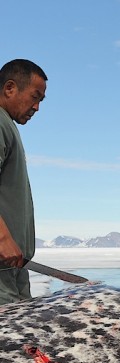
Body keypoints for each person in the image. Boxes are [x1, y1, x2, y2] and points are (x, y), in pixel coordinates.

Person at [0, 59, 47, 305]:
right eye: (34, 96)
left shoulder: (7, 125)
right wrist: (2, 238)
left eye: (41, 100)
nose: (37, 107)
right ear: (10, 88)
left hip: (14, 269)